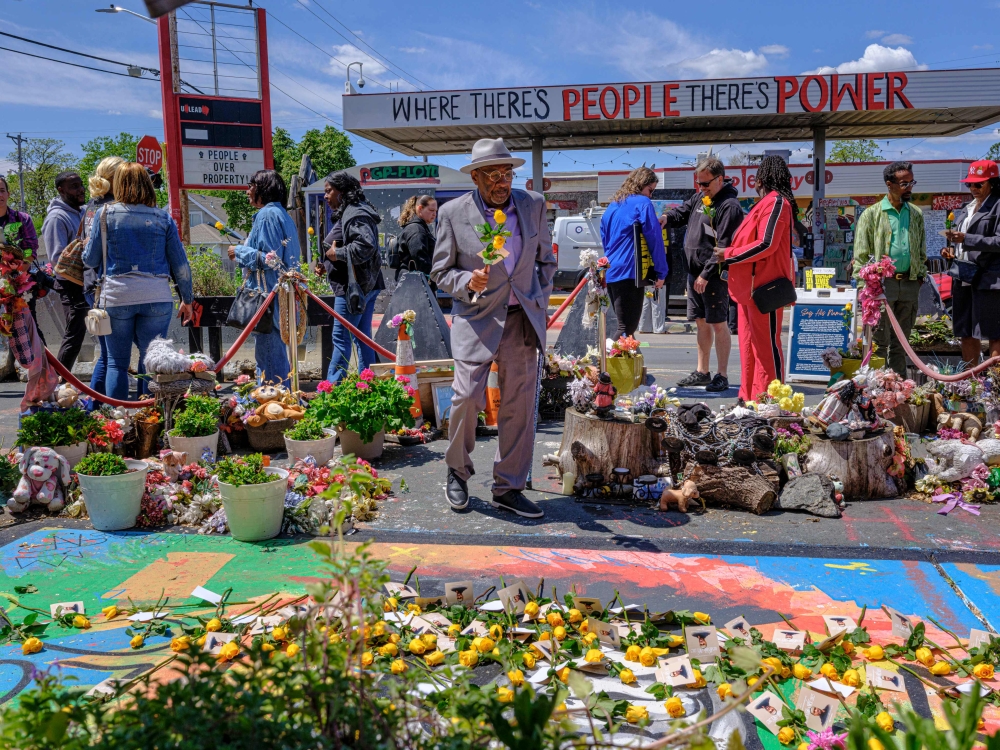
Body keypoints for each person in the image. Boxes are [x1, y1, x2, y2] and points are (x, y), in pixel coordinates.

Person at [431, 137, 556, 519]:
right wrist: (468, 281)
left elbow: (546, 261)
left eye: (508, 174)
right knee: (466, 398)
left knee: (518, 407)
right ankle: (457, 471)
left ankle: (509, 486)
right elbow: (439, 272)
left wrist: (539, 296)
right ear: (477, 177)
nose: (502, 182)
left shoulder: (532, 205)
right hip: (476, 318)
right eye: (494, 175)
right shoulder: (453, 212)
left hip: (521, 320)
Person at [83, 163, 193, 400]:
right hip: (157, 296)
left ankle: (119, 421)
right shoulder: (162, 218)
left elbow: (91, 260)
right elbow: (181, 266)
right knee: (151, 361)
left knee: (116, 363)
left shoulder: (104, 214)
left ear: (119, 184)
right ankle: (149, 418)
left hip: (117, 295)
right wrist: (188, 299)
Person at [712, 156, 794, 403]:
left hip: (764, 289)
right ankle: (750, 399)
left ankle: (773, 402)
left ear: (761, 179)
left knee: (766, 350)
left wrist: (728, 254)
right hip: (748, 290)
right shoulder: (764, 204)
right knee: (750, 350)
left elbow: (766, 244)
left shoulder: (777, 202)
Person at [662, 156, 744, 392]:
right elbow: (683, 212)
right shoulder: (702, 197)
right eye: (699, 184)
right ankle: (702, 371)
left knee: (719, 323)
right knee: (701, 322)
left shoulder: (729, 206)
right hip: (694, 272)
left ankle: (722, 374)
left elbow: (724, 246)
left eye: (706, 183)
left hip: (713, 275)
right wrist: (666, 218)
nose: (702, 188)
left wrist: (706, 274)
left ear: (720, 179)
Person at [853, 160, 927, 377]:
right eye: (904, 184)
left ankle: (899, 391)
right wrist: (865, 289)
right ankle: (876, 392)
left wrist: (919, 276)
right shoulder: (872, 214)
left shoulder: (915, 213)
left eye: (911, 182)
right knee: (879, 341)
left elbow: (921, 251)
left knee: (902, 343)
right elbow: (860, 256)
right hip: (882, 286)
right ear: (889, 184)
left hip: (910, 284)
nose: (910, 188)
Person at [228, 169, 299, 388]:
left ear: (262, 188)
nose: (247, 191)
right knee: (275, 360)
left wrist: (238, 251)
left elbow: (271, 259)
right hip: (281, 300)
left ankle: (274, 417)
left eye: (250, 185)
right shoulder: (282, 215)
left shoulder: (267, 215)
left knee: (270, 366)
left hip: (268, 300)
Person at [320, 172, 385, 383]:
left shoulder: (356, 213)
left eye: (329, 191)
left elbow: (365, 246)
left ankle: (332, 390)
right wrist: (327, 262)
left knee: (341, 338)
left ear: (343, 191)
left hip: (354, 290)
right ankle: (368, 385)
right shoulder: (351, 211)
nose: (325, 196)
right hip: (362, 286)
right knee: (362, 338)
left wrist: (336, 254)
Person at [599, 167, 668, 338]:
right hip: (630, 271)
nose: (650, 195)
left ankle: (623, 362)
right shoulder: (643, 203)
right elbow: (654, 238)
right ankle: (603, 362)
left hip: (612, 270)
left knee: (625, 328)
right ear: (641, 184)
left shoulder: (613, 205)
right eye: (650, 190)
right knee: (626, 328)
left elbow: (604, 237)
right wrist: (661, 271)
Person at [943, 160, 1000, 367]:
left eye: (979, 184)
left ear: (992, 182)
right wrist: (951, 250)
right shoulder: (967, 208)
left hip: (989, 279)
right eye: (970, 184)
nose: (973, 188)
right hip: (963, 276)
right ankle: (971, 384)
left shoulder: (998, 204)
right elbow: (961, 241)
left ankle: (995, 388)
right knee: (965, 331)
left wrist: (966, 239)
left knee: (994, 333)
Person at [80, 156, 126, 395]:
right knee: (113, 358)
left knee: (108, 355)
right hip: (108, 285)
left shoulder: (91, 205)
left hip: (91, 283)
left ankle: (96, 408)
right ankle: (103, 411)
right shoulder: (112, 207)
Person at [42, 171, 86, 370]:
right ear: (61, 190)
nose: (81, 189)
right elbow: (57, 259)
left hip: (88, 283)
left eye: (81, 184)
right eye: (74, 186)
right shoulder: (56, 218)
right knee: (75, 335)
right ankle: (58, 382)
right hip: (70, 285)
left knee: (94, 331)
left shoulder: (84, 212)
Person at [0, 177, 43, 338]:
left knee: (28, 325)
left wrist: (15, 273)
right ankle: (9, 363)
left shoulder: (22, 219)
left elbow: (30, 250)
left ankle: (40, 362)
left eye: (2, 190)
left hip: (19, 282)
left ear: (8, 194)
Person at [397, 194, 437, 280]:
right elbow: (421, 258)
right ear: (420, 208)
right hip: (415, 284)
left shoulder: (418, 227)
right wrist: (432, 278)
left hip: (412, 281)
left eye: (436, 211)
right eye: (431, 210)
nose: (434, 214)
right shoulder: (416, 230)